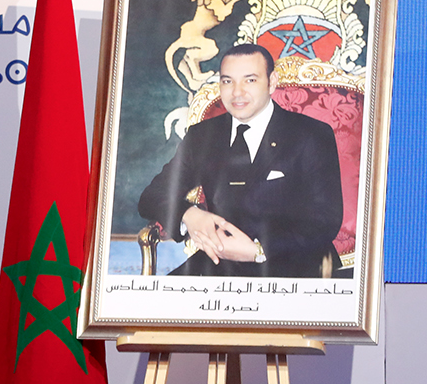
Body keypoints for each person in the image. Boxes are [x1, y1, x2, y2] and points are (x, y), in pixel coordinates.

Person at [137, 43, 342, 277]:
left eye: (250, 80)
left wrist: (258, 251)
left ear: (271, 82)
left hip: (293, 264)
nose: (237, 92)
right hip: (219, 263)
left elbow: (326, 220)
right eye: (227, 81)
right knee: (157, 298)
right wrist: (189, 215)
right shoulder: (202, 135)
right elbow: (152, 196)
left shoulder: (311, 134)